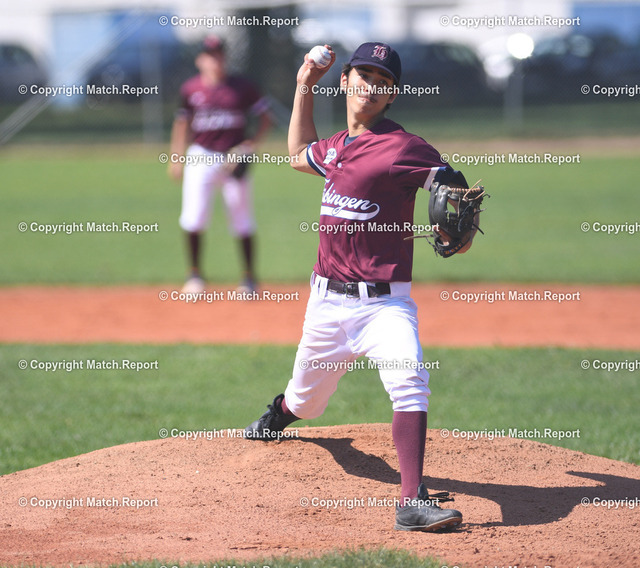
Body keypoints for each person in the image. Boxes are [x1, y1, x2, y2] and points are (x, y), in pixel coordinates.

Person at [244, 42, 480, 531]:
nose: (371, 86)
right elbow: (297, 155)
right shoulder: (335, 147)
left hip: (384, 305)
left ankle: (411, 501)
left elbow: (454, 188)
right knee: (307, 402)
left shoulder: (404, 147)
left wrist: (459, 235)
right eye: (364, 75)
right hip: (325, 304)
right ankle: (280, 413)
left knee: (409, 379)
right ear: (346, 80)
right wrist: (303, 86)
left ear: (392, 94)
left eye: (383, 81)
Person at [168, 36, 272, 293]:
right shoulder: (191, 89)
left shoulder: (242, 87)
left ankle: (248, 278)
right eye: (210, 55)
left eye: (219, 55)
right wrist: (176, 157)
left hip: (232, 158)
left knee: (241, 217)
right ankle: (194, 276)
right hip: (200, 156)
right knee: (194, 217)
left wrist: (248, 147)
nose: (215, 60)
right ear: (200, 60)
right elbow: (181, 124)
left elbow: (265, 118)